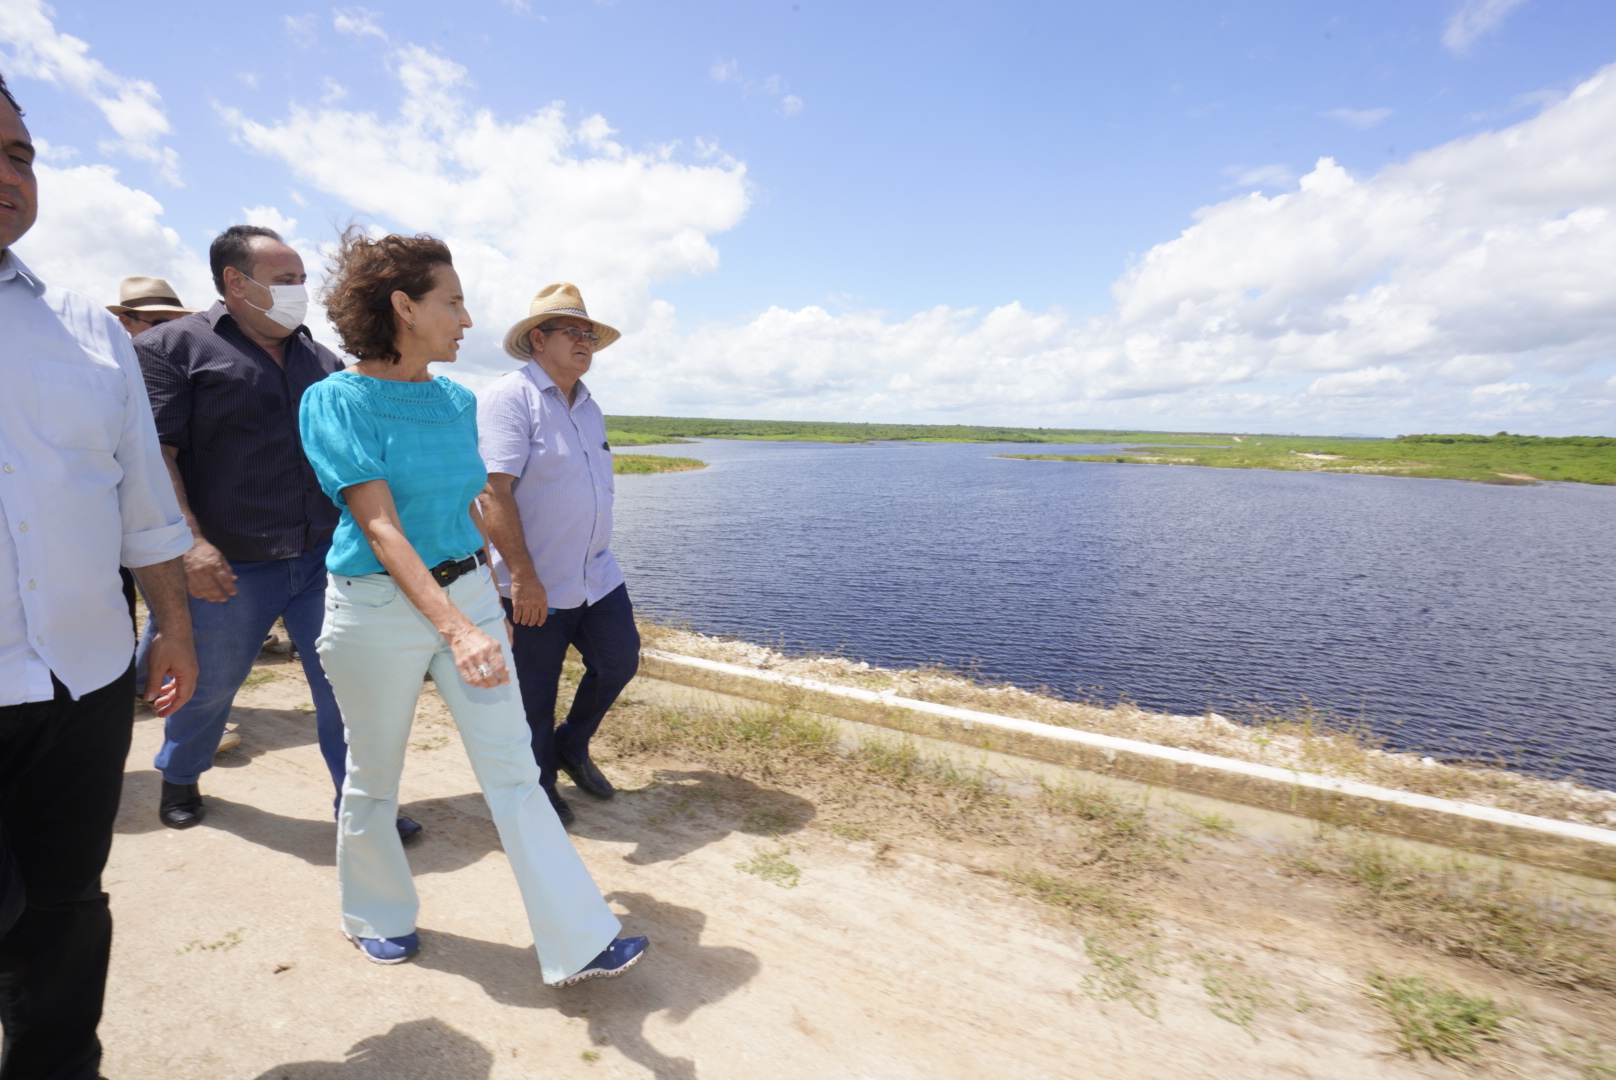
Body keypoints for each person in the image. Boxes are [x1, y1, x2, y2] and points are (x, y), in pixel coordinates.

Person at [300, 230, 645, 985]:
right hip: (376, 608)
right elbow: (381, 526)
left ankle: (580, 938)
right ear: (403, 307)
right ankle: (376, 915)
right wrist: (454, 628)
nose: (464, 318)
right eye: (451, 302)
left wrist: (509, 579)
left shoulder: (457, 402)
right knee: (374, 775)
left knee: (515, 768)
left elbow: (484, 502)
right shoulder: (333, 400)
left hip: (463, 592)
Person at [0, 70, 199, 1080]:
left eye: (21, 155)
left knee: (69, 905)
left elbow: (139, 504)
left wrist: (170, 622)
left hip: (81, 680)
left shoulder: (84, 330)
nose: (9, 175)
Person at [134, 226, 419, 840]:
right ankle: (181, 774)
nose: (300, 292)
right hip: (232, 563)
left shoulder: (322, 362)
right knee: (208, 689)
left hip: (323, 557)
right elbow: (158, 457)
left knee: (346, 690)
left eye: (302, 279)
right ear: (235, 283)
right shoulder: (172, 348)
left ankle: (362, 803)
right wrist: (191, 543)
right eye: (285, 280)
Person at [477, 284, 639, 828]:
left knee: (619, 661)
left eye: (589, 333)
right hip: (534, 583)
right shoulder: (512, 397)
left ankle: (572, 745)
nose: (585, 341)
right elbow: (492, 493)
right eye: (574, 331)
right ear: (538, 339)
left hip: (596, 574)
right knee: (534, 698)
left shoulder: (588, 405)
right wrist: (522, 578)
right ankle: (538, 788)